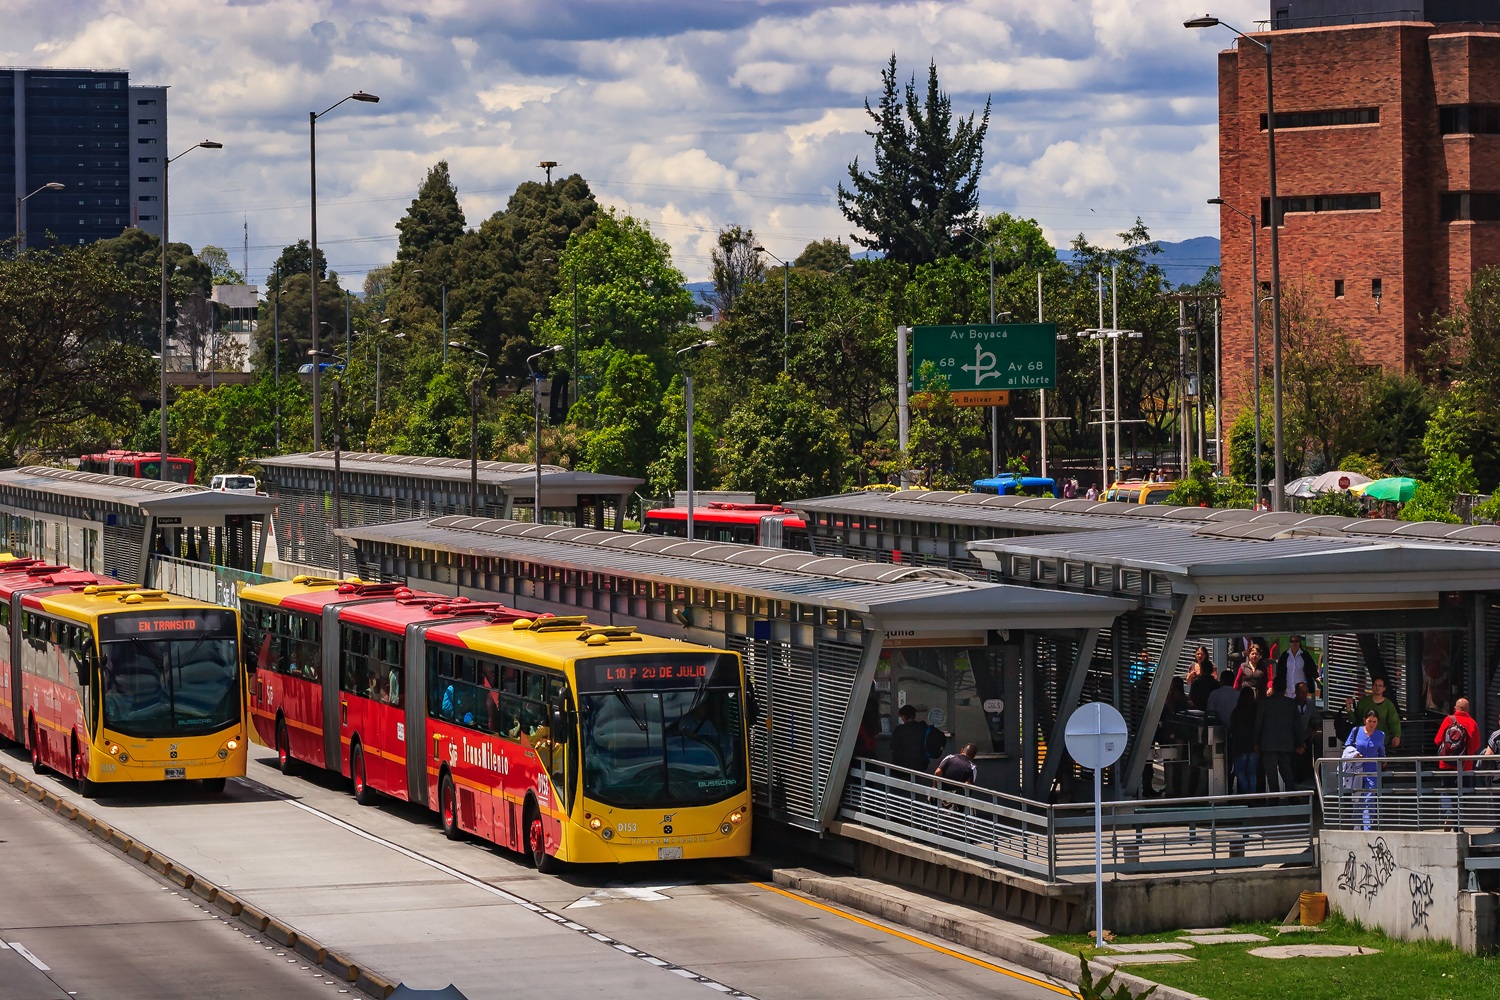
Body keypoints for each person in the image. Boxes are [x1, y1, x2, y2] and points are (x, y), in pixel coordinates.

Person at [1256, 678, 1301, 793]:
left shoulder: (1264, 703)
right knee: (1286, 771)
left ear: (1274, 688)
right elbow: (1297, 726)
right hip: (1286, 743)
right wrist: (1299, 742)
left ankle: (1274, 798)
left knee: (1271, 773)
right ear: (1285, 688)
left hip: (1268, 744)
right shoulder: (1291, 704)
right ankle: (1292, 795)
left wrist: (1256, 742)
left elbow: (1258, 724)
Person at [1345, 709, 1386, 830]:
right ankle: (1357, 827)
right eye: (1369, 721)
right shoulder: (1356, 731)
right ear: (1364, 721)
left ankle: (1367, 828)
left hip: (1372, 771)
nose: (1372, 724)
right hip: (1357, 770)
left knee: (1369, 799)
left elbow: (1382, 751)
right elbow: (1348, 745)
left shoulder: (1380, 735)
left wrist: (1384, 760)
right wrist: (1354, 754)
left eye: (1374, 721)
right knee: (1357, 798)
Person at [1347, 676, 1402, 748]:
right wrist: (1349, 709)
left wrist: (1396, 736)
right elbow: (1356, 720)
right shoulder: (1364, 702)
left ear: (1384, 688)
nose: (1377, 687)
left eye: (1380, 686)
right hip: (1364, 740)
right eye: (1375, 685)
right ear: (1372, 687)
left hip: (1381, 741)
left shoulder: (1388, 704)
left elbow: (1394, 721)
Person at [1228, 686, 1260, 794]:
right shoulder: (1256, 711)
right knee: (1252, 773)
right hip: (1253, 746)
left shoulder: (1237, 712)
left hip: (1240, 746)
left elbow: (1233, 728)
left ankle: (1246, 793)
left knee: (1240, 772)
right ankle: (1253, 794)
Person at [1291, 681, 1321, 783]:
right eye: (1301, 692)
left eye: (1306, 692)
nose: (1303, 695)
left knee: (1307, 764)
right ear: (1296, 692)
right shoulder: (1290, 705)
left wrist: (1314, 730)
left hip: (1307, 737)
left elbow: (1314, 719)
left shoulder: (1311, 704)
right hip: (1294, 739)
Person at [889, 704, 929, 774]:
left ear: (904, 716)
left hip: (902, 765)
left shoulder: (899, 730)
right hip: (920, 764)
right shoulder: (922, 727)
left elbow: (893, 746)